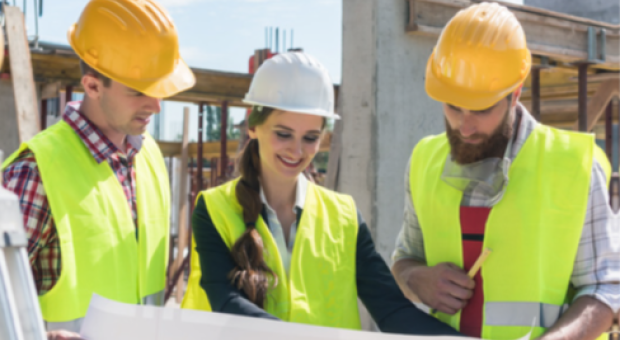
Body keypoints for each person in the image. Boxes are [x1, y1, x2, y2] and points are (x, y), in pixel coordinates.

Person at [181, 52, 461, 336]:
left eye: (310, 138)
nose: (297, 151)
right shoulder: (214, 210)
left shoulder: (344, 217)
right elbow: (227, 303)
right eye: (283, 134)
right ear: (253, 127)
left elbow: (391, 309)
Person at [390, 2, 618, 340]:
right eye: (453, 106)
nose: (464, 126)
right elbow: (405, 258)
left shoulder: (575, 165)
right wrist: (415, 278)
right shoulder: (424, 160)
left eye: (481, 109)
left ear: (514, 94)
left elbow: (605, 288)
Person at [1, 0, 195, 339]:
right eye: (139, 92)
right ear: (92, 86)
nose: (156, 106)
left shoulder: (148, 156)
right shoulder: (34, 173)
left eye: (160, 89)